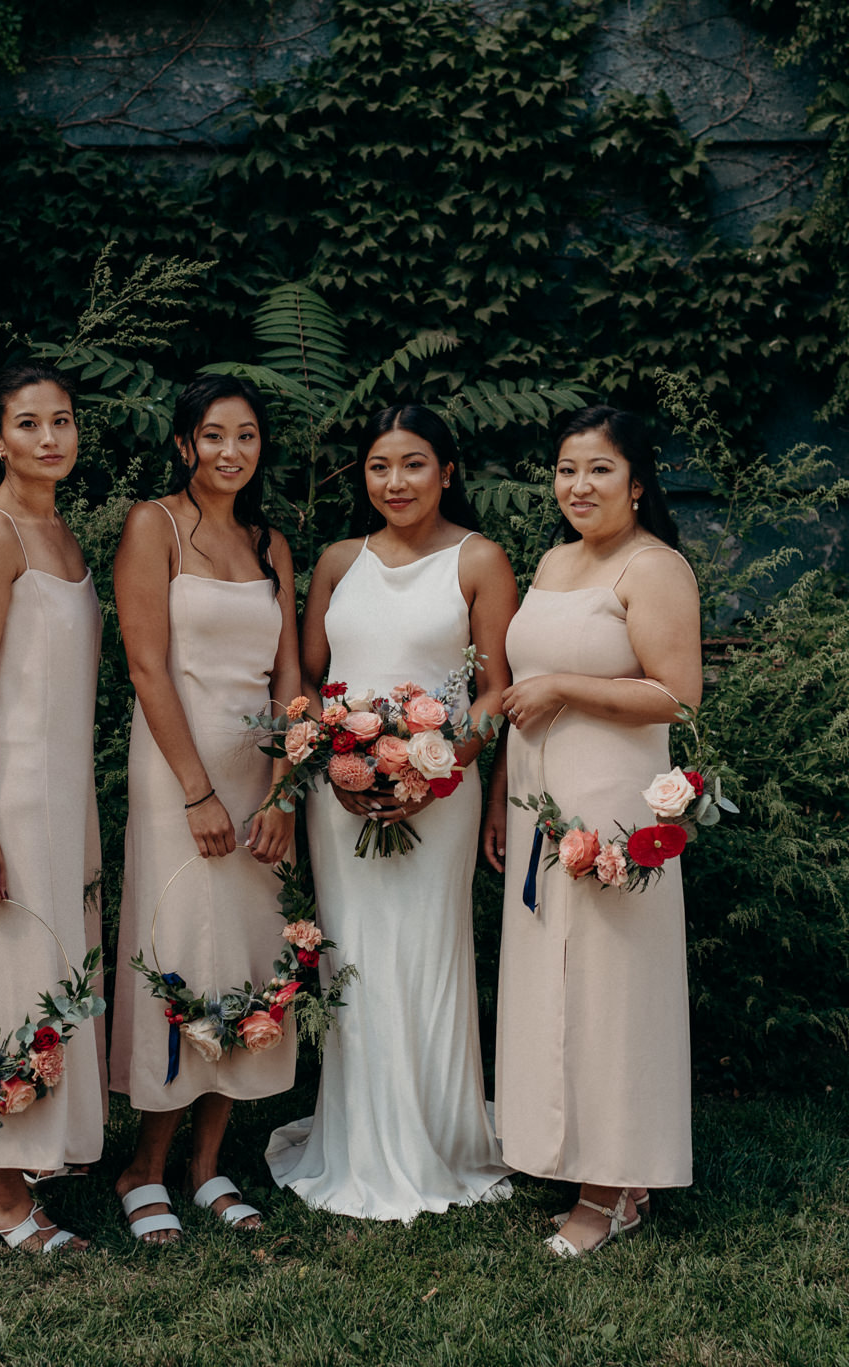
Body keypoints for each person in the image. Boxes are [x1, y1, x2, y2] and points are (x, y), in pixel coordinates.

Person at [265, 403, 518, 1221]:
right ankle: (360, 1139)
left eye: (414, 463)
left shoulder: (480, 560)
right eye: (379, 465)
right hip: (340, 791)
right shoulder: (339, 560)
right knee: (358, 959)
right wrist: (332, 760)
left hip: (442, 791)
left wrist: (434, 772)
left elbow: (491, 696)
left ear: (448, 470)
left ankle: (438, 1137)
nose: (396, 481)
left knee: (427, 954)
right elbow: (307, 676)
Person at [482, 405, 702, 1257]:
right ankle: (584, 1156)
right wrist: (505, 784)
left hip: (612, 805)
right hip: (538, 796)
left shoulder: (655, 568)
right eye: (568, 468)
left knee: (611, 993)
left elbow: (677, 694)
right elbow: (521, 690)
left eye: (600, 469)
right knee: (556, 984)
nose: (579, 485)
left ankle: (607, 1190)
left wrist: (570, 686)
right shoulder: (552, 560)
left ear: (638, 483)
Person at [107, 376, 303, 1245]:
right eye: (214, 435)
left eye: (248, 436)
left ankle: (207, 1164)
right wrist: (196, 790)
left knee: (252, 962)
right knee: (182, 950)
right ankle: (142, 1166)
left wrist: (284, 792)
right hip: (176, 771)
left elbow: (290, 681)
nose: (231, 451)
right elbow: (147, 666)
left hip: (259, 777)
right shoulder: (154, 526)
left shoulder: (271, 543)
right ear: (185, 443)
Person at [0, 362, 105, 1253]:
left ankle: (34, 1156)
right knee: (11, 978)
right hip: (3, 792)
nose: (51, 438)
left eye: (64, 421)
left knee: (55, 970)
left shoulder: (65, 535)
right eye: (30, 423)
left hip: (62, 793)